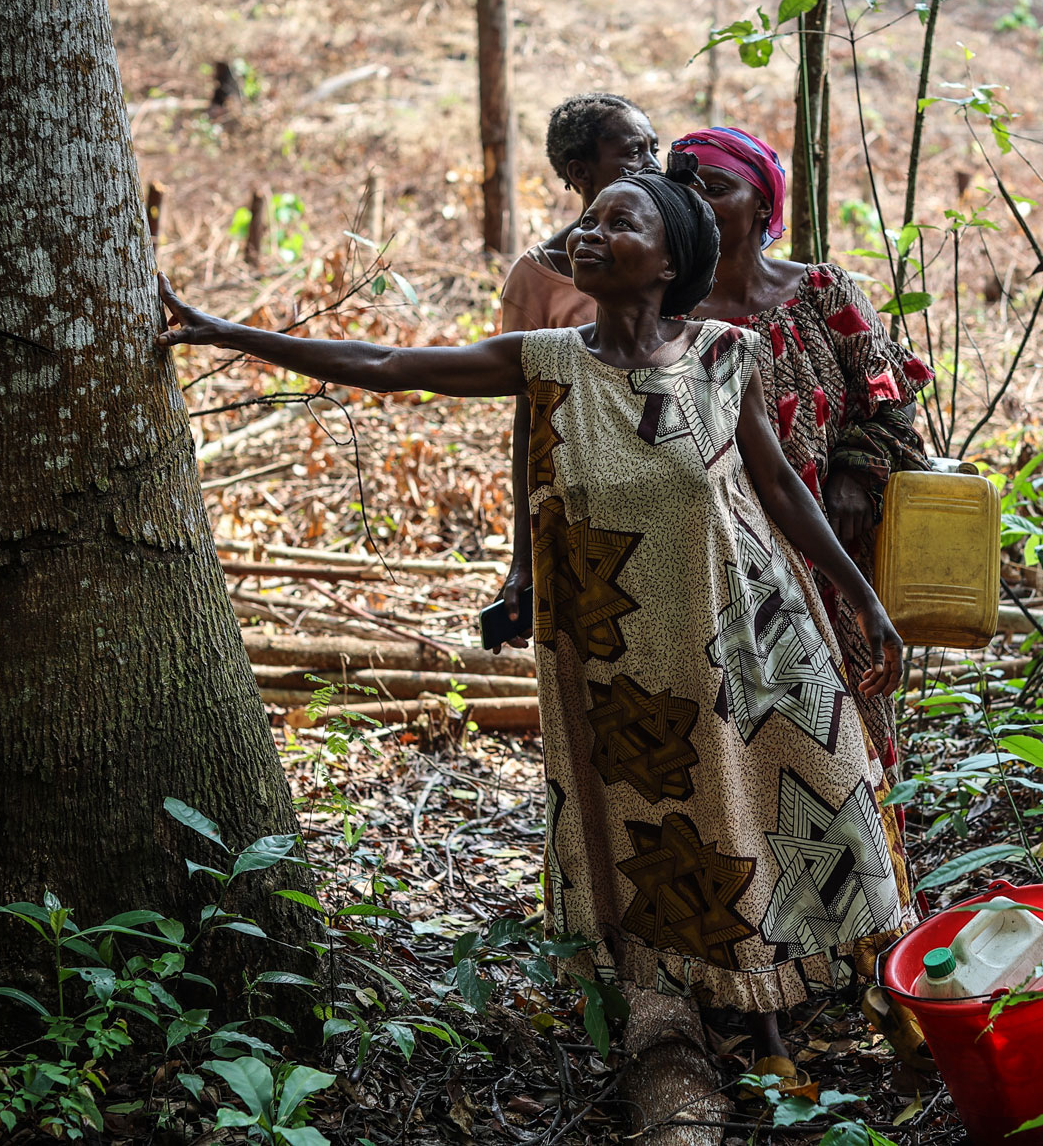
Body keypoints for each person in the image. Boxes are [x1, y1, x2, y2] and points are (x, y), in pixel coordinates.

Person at [157, 156, 912, 1092]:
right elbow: (388, 368)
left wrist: (866, 601)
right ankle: (726, 1023)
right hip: (630, 674)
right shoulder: (545, 363)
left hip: (755, 649)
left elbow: (785, 493)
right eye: (587, 220)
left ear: (670, 258)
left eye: (620, 222)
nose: (590, 233)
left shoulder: (726, 355)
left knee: (793, 811)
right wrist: (222, 330)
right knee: (686, 837)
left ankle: (810, 1016)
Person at [676, 126, 935, 774]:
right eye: (683, 187)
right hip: (713, 565)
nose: (697, 202)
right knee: (735, 754)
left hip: (831, 560)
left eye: (717, 186)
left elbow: (895, 400)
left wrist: (857, 470)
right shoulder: (662, 316)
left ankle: (871, 874)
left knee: (850, 745)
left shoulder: (821, 294)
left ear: (763, 206)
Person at [497, 93, 662, 645]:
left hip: (675, 493)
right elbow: (530, 421)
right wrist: (523, 556)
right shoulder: (537, 278)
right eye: (634, 152)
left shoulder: (669, 256)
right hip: (586, 505)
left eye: (654, 149)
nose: (652, 166)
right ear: (579, 171)